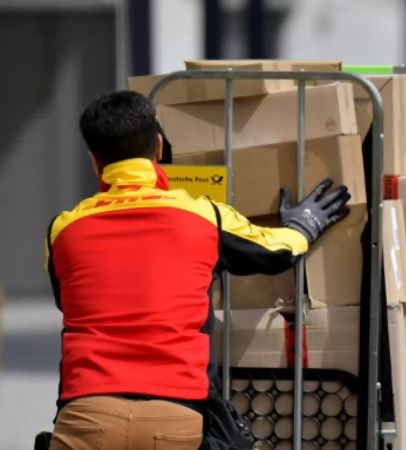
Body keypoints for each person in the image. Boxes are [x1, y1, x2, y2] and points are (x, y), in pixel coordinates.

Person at [45, 91, 350, 449]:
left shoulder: (63, 230)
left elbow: (68, 301)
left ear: (95, 161)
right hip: (174, 413)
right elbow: (277, 252)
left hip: (87, 411)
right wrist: (304, 225)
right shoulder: (203, 216)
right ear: (158, 147)